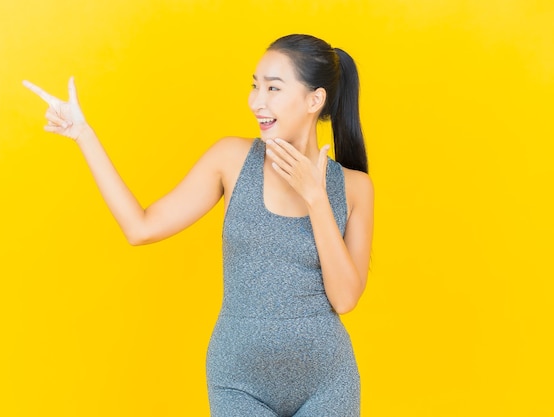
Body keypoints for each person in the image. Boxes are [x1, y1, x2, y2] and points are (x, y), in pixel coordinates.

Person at [24, 33, 373, 417]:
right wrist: (83, 135)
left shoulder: (354, 188)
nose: (257, 102)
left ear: (314, 99)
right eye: (255, 86)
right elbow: (140, 228)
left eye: (273, 88)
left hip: (326, 384)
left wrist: (316, 199)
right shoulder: (230, 159)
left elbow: (344, 299)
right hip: (239, 383)